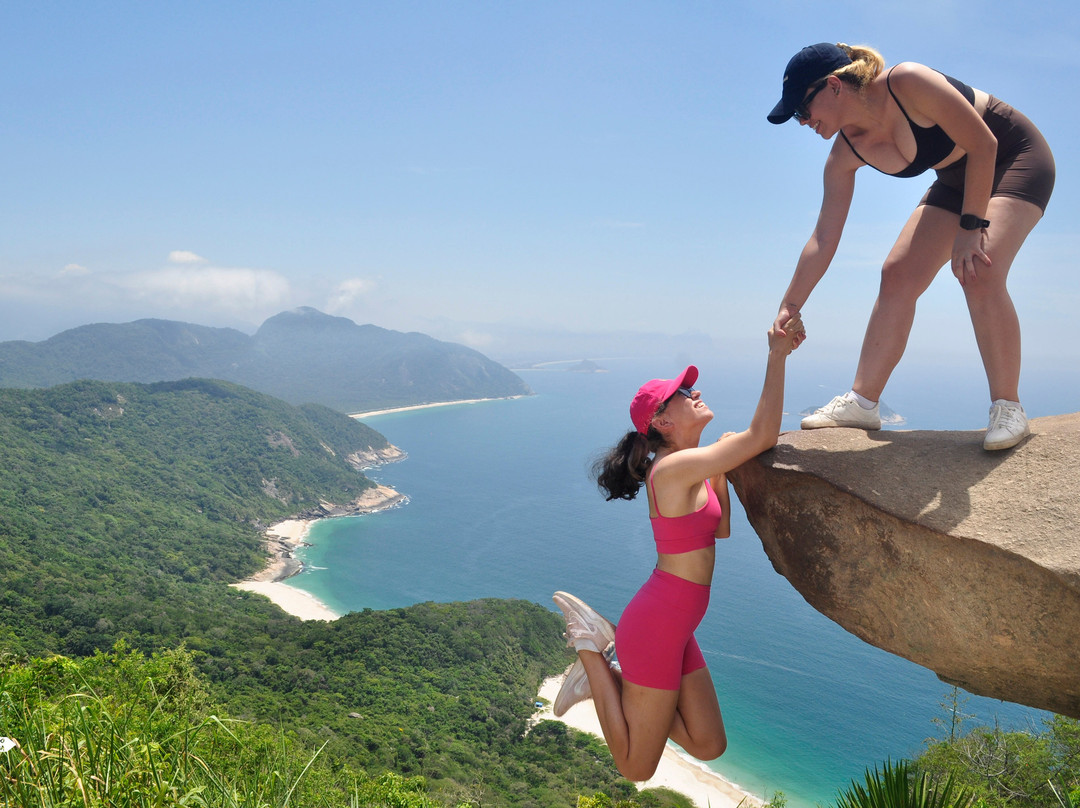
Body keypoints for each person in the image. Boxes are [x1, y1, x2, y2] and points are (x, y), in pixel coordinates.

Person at [766, 43, 1054, 450]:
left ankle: (1008, 407)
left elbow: (983, 144)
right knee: (897, 273)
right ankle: (863, 402)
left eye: (801, 109)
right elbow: (823, 239)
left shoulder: (907, 82)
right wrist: (790, 306)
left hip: (1012, 156)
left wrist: (971, 228)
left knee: (979, 267)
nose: (801, 122)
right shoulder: (844, 152)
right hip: (957, 177)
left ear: (833, 86)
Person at [551, 316, 802, 782]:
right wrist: (777, 356)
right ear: (663, 421)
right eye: (684, 394)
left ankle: (612, 676)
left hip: (675, 626)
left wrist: (724, 466)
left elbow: (720, 529)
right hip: (658, 627)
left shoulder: (692, 468)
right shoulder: (669, 470)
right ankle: (590, 655)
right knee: (635, 769)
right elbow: (763, 435)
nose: (695, 394)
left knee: (710, 744)